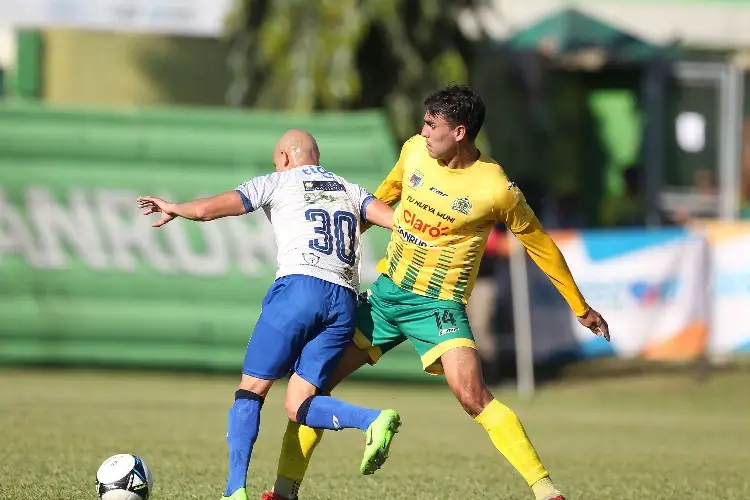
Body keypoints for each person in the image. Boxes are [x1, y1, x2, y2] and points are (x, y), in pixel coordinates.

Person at [261, 86, 610, 500]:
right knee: (311, 385)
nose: (423, 131)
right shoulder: (413, 152)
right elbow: (383, 197)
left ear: (460, 132)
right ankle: (282, 492)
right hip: (386, 298)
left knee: (473, 396)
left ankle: (547, 492)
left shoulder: (496, 188)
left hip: (439, 306)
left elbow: (539, 244)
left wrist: (579, 305)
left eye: (432, 124)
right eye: (424, 123)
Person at [136, 129, 403, 500]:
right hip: (343, 300)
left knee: (251, 391)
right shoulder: (349, 188)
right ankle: (371, 420)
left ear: (285, 158)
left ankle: (234, 491)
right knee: (298, 404)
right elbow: (397, 222)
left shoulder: (279, 181)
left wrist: (175, 208)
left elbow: (208, 209)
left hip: (299, 290)